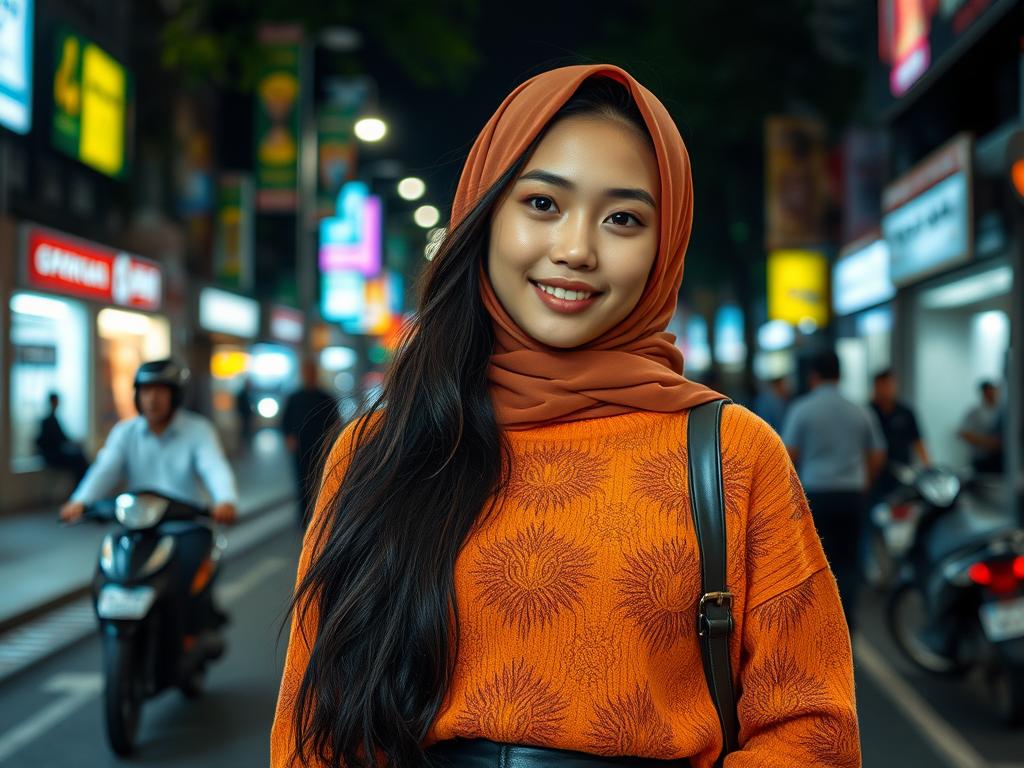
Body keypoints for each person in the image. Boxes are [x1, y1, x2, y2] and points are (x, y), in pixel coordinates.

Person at [272, 66, 859, 768]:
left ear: (663, 246)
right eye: (544, 203)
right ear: (486, 214)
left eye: (623, 218)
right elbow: (313, 730)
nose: (577, 249)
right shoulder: (379, 448)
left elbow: (814, 727)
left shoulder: (733, 453)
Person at [59, 359, 238, 626]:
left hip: (186, 524)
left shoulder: (198, 431)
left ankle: (192, 630)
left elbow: (214, 467)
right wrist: (80, 501)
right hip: (138, 525)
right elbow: (105, 469)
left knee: (188, 583)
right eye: (145, 391)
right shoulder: (125, 432)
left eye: (160, 391)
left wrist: (225, 500)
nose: (152, 399)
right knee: (108, 570)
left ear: (174, 396)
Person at [782, 350, 886, 635]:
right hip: (851, 494)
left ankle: (820, 622)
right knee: (849, 561)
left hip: (815, 493)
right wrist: (864, 481)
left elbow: (787, 455)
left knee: (816, 560)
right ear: (840, 374)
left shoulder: (802, 409)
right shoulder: (860, 410)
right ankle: (846, 621)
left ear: (813, 376)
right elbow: (878, 453)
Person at [281, 359, 341, 528]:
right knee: (301, 482)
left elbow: (335, 422)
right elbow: (285, 421)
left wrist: (331, 444)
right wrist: (288, 437)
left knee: (319, 481)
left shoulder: (326, 397)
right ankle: (303, 519)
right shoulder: (294, 397)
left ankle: (319, 516)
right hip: (300, 447)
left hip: (320, 448)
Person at [36, 392, 89, 484]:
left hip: (55, 454)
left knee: (80, 458)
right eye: (55, 401)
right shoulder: (49, 420)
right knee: (79, 459)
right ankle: (79, 487)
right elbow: (60, 439)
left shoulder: (53, 419)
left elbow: (62, 438)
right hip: (53, 456)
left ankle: (80, 487)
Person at [958, 381, 1003, 474]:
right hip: (981, 458)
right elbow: (964, 433)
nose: (990, 394)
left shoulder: (1003, 411)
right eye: (987, 391)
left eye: (992, 391)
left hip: (1001, 459)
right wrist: (988, 443)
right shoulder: (975, 412)